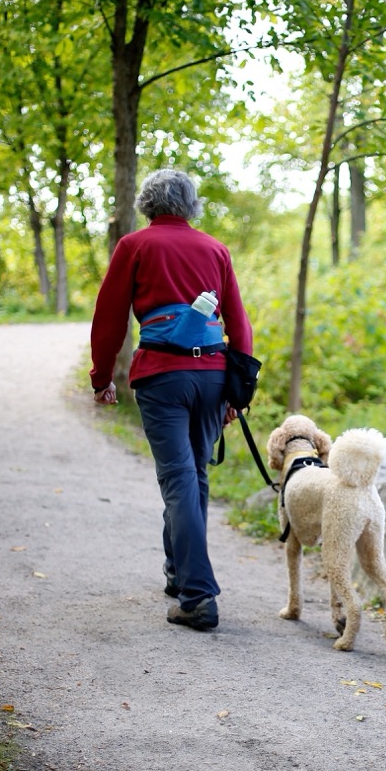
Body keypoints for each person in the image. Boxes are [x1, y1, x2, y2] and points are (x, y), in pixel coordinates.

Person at [90, 168, 253, 631]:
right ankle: (179, 572)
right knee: (194, 476)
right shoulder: (215, 249)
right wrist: (237, 393)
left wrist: (102, 377)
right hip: (213, 377)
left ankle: (198, 596)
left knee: (180, 479)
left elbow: (109, 316)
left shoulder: (135, 246)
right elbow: (239, 324)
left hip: (162, 376)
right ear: (190, 205)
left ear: (148, 203)